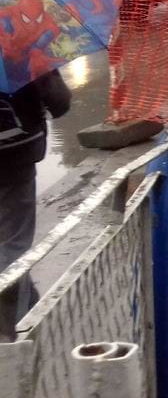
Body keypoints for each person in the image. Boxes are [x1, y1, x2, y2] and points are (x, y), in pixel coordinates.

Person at [1, 70, 71, 340]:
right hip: (13, 157)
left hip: (15, 159)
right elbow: (59, 101)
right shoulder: (16, 36)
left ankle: (30, 310)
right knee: (13, 246)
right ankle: (10, 333)